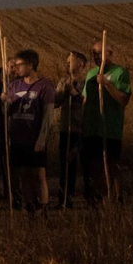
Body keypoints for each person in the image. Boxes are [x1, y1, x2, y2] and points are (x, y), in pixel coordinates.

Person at [80, 40, 131, 204]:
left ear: (109, 54)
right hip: (92, 127)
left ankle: (117, 200)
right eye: (93, 53)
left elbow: (124, 99)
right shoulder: (90, 74)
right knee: (94, 167)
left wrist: (107, 84)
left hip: (110, 127)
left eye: (99, 53)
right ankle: (97, 200)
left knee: (111, 166)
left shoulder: (120, 73)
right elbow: (85, 99)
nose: (95, 56)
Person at [4, 50, 55, 212]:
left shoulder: (44, 86)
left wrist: (42, 138)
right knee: (24, 174)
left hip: (34, 137)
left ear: (31, 65)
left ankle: (43, 206)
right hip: (18, 137)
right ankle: (30, 205)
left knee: (39, 174)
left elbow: (48, 115)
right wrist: (4, 102)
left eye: (19, 65)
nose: (16, 68)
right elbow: (6, 112)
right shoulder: (13, 86)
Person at [52, 53, 88, 208]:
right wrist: (62, 94)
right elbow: (55, 103)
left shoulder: (88, 82)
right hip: (67, 129)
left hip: (83, 128)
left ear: (80, 63)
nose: (67, 65)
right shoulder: (64, 81)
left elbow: (88, 102)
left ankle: (91, 197)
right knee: (66, 165)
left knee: (87, 165)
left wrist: (75, 93)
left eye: (70, 62)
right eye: (66, 62)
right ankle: (65, 198)